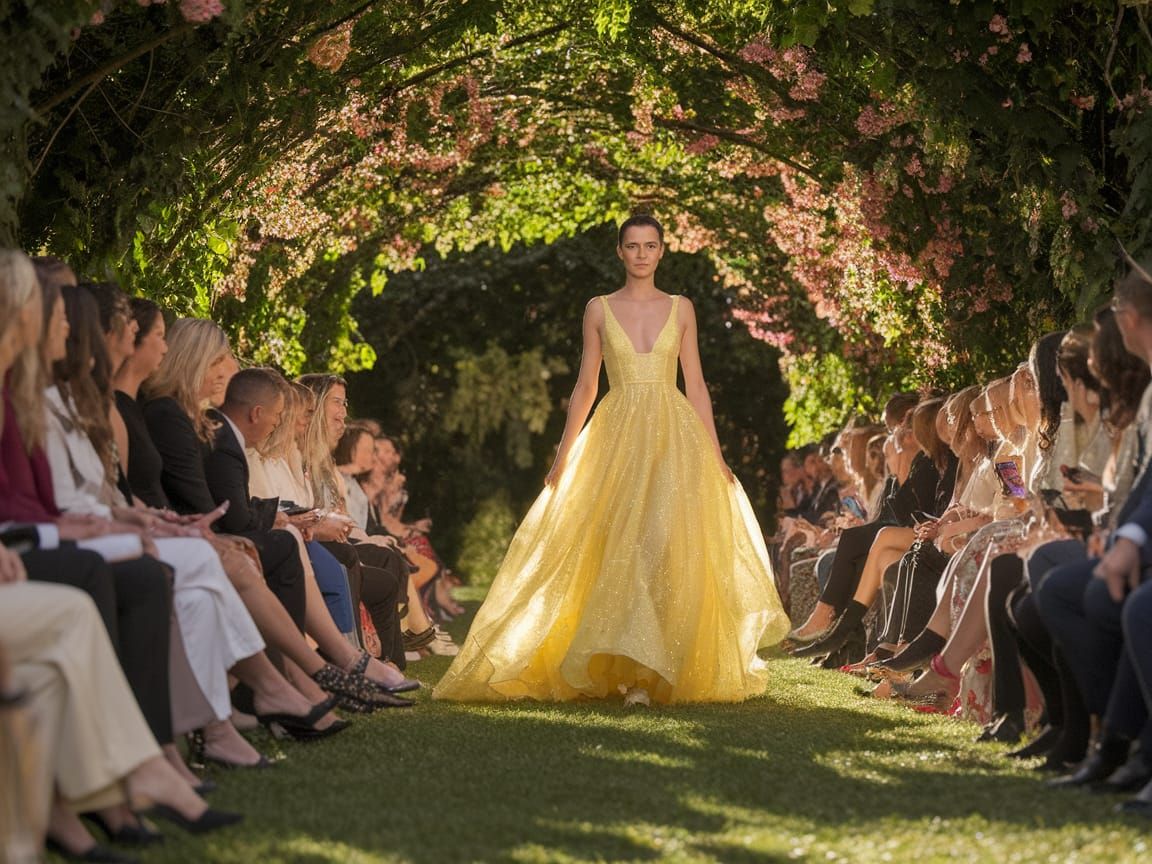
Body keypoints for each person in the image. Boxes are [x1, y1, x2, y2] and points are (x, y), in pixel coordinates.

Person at [433, 214, 789, 705]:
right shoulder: (597, 309)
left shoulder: (682, 308)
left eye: (650, 245)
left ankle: (653, 669)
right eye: (633, 246)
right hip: (616, 435)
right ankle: (630, 675)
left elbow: (697, 383)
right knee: (622, 545)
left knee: (663, 546)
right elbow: (585, 386)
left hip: (673, 435)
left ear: (662, 251)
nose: (642, 254)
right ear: (620, 252)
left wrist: (716, 453)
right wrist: (562, 456)